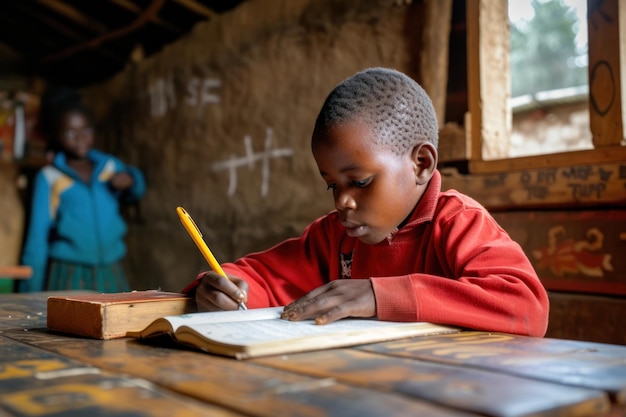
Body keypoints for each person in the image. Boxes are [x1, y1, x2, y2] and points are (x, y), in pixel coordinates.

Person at [183, 67, 549, 337]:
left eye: (360, 182)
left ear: (421, 164)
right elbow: (263, 276)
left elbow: (526, 305)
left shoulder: (458, 222)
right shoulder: (334, 238)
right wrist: (227, 290)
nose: (343, 201)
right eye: (332, 186)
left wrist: (379, 295)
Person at [19, 87, 146, 292]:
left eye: (86, 131)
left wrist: (132, 179)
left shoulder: (109, 167)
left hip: (110, 271)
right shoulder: (50, 178)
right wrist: (30, 293)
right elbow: (37, 239)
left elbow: (136, 192)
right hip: (69, 273)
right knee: (67, 323)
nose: (80, 138)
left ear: (94, 131)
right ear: (57, 135)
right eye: (70, 132)